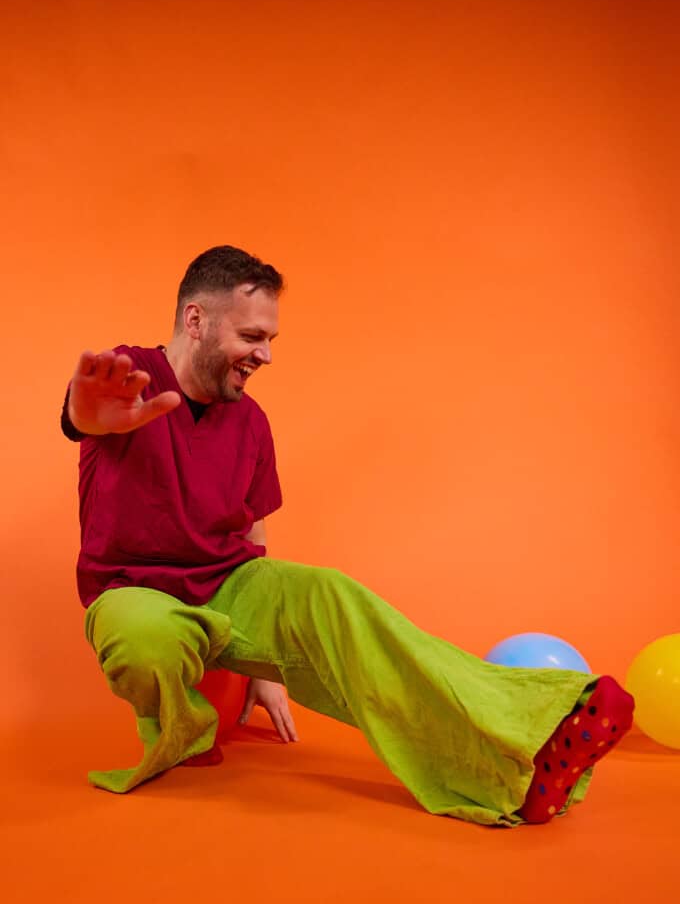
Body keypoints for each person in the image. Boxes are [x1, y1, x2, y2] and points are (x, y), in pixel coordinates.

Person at [61, 245, 634, 826]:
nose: (265, 354)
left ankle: (531, 746)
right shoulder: (130, 378)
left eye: (271, 341)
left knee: (339, 600)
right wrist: (87, 414)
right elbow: (83, 413)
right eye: (254, 335)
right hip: (132, 591)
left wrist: (263, 667)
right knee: (146, 639)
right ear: (195, 320)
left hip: (229, 586)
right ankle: (184, 733)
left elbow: (252, 535)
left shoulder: (252, 424)